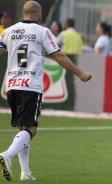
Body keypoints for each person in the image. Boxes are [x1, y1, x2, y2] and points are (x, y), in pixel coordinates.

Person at [0, 1, 92, 181]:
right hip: (30, 85)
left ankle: (25, 172)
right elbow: (58, 55)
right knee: (32, 129)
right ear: (38, 13)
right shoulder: (42, 32)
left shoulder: (8, 31)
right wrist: (79, 73)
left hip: (11, 85)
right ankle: (8, 155)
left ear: (24, 12)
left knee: (22, 129)